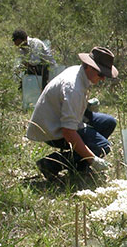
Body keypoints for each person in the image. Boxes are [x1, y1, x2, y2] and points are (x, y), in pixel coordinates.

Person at [27, 46, 118, 181]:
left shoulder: (79, 72)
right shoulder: (74, 88)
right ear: (89, 66)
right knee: (103, 146)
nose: (103, 79)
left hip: (65, 120)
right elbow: (68, 132)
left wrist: (85, 106)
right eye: (101, 74)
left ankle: (79, 164)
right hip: (52, 129)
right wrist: (93, 159)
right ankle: (52, 163)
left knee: (108, 122)